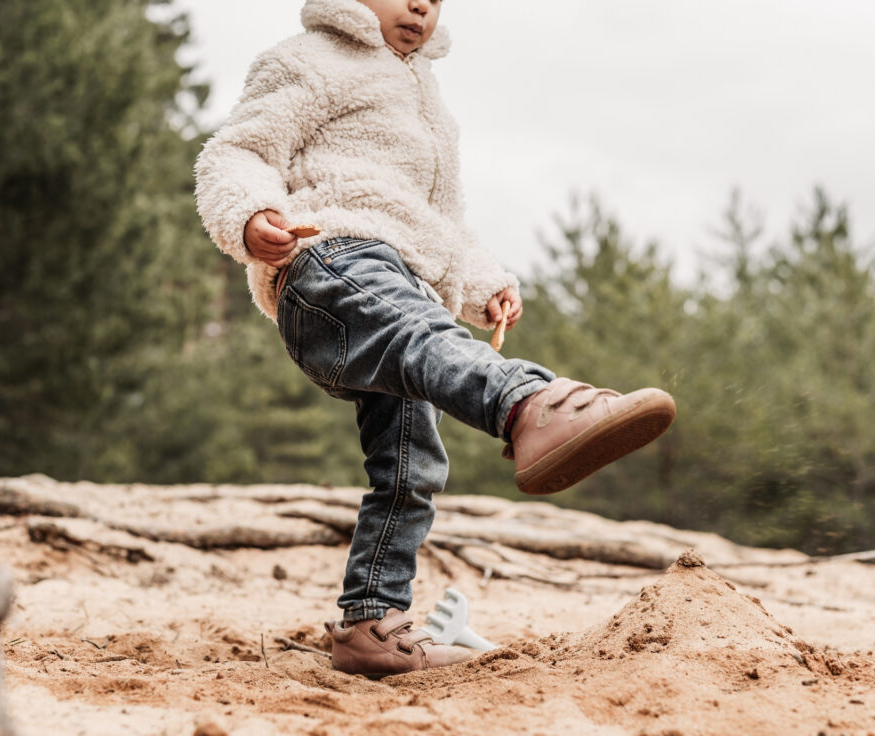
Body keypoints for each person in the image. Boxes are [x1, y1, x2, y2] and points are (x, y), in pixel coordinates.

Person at [195, 0, 676, 677]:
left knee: (410, 464)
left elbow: (437, 220)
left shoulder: (427, 97)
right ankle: (529, 405)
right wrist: (248, 215)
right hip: (332, 261)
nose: (421, 4)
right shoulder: (308, 60)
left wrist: (484, 284)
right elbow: (238, 151)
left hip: (407, 283)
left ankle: (371, 624)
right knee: (423, 339)